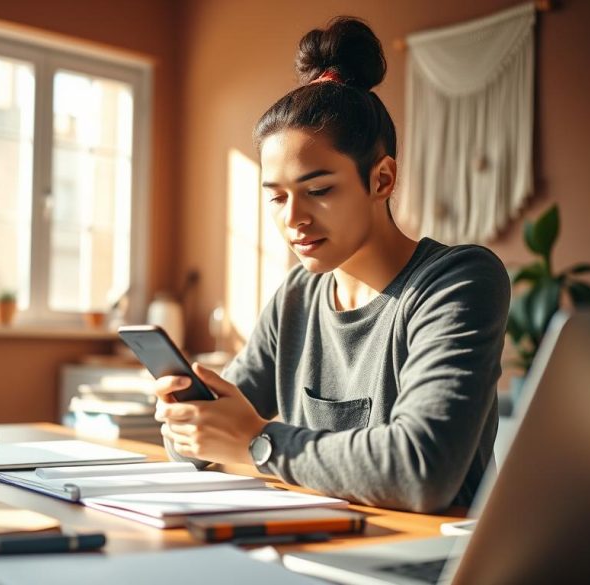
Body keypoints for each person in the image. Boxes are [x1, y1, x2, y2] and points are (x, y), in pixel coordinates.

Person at [154, 17, 511, 514]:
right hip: (313, 544)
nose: (293, 219)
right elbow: (216, 432)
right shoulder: (297, 296)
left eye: (318, 191)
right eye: (277, 198)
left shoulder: (458, 281)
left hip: (427, 558)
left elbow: (422, 469)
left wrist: (259, 443)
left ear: (382, 179)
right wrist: (187, 422)